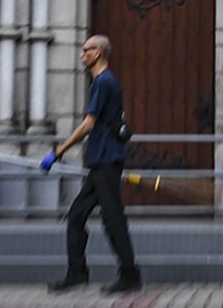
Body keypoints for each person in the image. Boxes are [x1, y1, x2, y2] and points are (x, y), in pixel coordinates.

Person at [39, 34, 141, 295]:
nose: (82, 54)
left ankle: (130, 275)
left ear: (97, 53)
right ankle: (77, 273)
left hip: (106, 160)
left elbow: (88, 124)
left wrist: (58, 152)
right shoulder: (104, 82)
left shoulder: (103, 82)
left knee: (113, 219)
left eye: (86, 50)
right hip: (101, 160)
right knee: (76, 216)